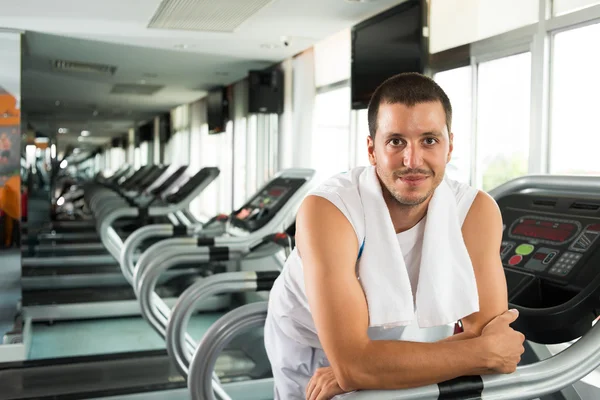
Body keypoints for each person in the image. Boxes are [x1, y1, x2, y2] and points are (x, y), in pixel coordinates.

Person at [263, 72, 525, 400]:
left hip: (399, 339)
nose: (412, 160)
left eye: (429, 140)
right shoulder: (328, 210)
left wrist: (367, 367)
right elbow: (489, 350)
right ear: (372, 150)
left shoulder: (476, 211)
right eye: (396, 141)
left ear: (449, 147)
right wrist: (482, 353)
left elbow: (485, 334)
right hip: (310, 341)